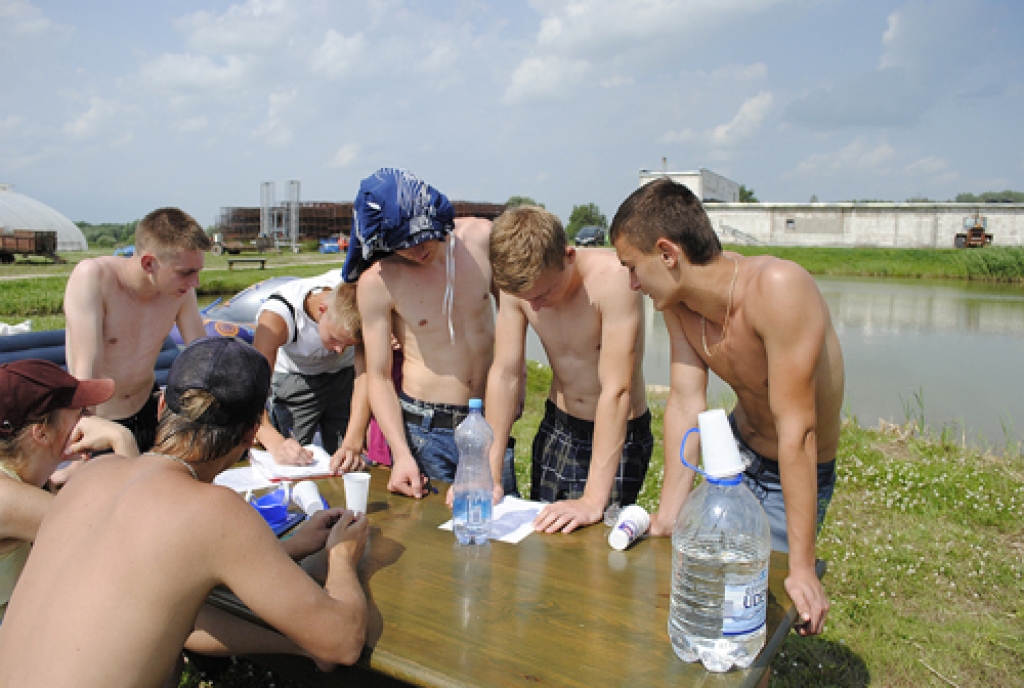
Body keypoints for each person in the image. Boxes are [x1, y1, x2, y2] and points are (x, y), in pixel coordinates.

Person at [0, 337, 369, 687]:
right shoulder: (215, 511)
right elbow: (342, 643)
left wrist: (291, 551)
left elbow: (167, 601)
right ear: (251, 434)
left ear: (162, 407)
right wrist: (342, 557)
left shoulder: (90, 476)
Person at [610, 178, 844, 636]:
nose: (632, 284)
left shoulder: (778, 289)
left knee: (748, 614)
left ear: (667, 253)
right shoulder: (678, 304)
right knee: (697, 592)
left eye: (632, 267)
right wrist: (670, 514)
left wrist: (800, 567)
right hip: (732, 458)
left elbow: (799, 431)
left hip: (789, 471)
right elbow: (683, 403)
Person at [345, 168, 515, 498]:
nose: (420, 249)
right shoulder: (378, 283)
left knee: (499, 528)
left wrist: (515, 382)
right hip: (426, 429)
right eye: (404, 245)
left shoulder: (480, 239)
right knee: (433, 539)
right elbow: (377, 376)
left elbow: (515, 313)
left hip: (489, 421)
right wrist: (402, 455)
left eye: (425, 236)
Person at [486, 206, 652, 534]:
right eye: (525, 298)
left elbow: (616, 389)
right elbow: (505, 373)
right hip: (558, 428)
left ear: (568, 255)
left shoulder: (614, 279)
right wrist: (487, 474)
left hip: (618, 431)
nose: (534, 306)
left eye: (544, 293)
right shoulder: (517, 283)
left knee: (598, 547)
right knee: (546, 534)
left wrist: (592, 499)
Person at [64, 207, 211, 455]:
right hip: (101, 420)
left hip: (149, 412)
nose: (195, 282)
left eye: (197, 271)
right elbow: (86, 369)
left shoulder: (179, 291)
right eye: (186, 272)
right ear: (149, 263)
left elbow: (202, 355)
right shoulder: (94, 277)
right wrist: (83, 441)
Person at [0, 359, 138, 623]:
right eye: (79, 411)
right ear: (41, 433)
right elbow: (127, 545)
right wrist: (122, 441)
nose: (89, 418)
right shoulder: (8, 498)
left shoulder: (22, 480)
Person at [253, 274, 369, 473]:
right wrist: (273, 441)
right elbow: (253, 387)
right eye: (335, 339)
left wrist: (352, 443)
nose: (340, 350)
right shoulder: (277, 317)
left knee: (347, 462)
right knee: (294, 459)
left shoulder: (359, 294)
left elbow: (366, 376)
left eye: (349, 345)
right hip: (297, 380)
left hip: (345, 377)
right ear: (322, 310)